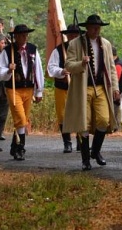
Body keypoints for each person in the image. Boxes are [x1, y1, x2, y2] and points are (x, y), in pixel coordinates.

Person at [63, 14, 120, 171]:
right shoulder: (75, 44)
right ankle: (85, 159)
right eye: (94, 27)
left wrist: (115, 88)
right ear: (87, 28)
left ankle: (95, 151)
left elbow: (111, 68)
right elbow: (68, 65)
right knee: (84, 123)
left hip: (101, 88)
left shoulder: (106, 44)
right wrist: (81, 63)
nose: (96, 30)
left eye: (98, 27)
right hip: (83, 88)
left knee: (104, 120)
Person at [0, 24, 44, 161]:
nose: (25, 37)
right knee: (21, 119)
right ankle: (21, 148)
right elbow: (0, 74)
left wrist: (39, 90)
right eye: (22, 35)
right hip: (13, 89)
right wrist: (8, 69)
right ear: (16, 36)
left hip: (28, 88)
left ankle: (14, 146)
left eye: (26, 34)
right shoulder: (7, 51)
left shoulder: (32, 49)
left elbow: (38, 70)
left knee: (21, 120)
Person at [47, 24, 83, 153]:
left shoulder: (83, 49)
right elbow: (51, 68)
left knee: (80, 113)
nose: (73, 36)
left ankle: (81, 141)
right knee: (63, 115)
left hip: (78, 87)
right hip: (62, 88)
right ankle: (67, 142)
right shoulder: (58, 50)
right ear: (67, 35)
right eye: (71, 34)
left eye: (75, 34)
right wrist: (61, 71)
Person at [112, 46, 122, 128]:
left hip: (115, 95)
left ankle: (114, 127)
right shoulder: (118, 64)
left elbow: (115, 80)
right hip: (116, 95)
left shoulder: (118, 65)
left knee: (115, 112)